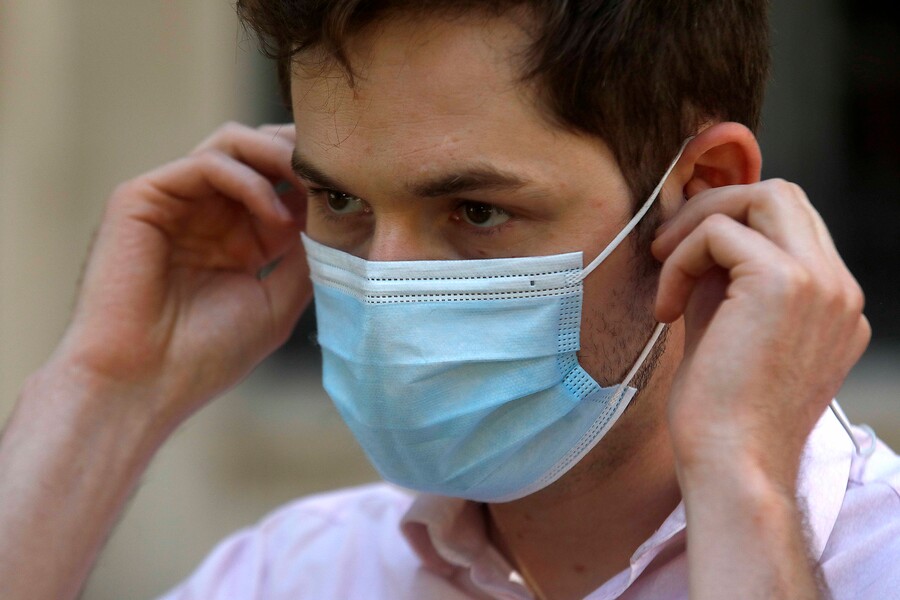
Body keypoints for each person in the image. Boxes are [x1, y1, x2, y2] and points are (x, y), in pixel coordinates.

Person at [1, 1, 898, 599]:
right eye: (340, 200)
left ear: (701, 188)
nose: (387, 289)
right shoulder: (295, 573)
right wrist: (105, 392)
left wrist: (744, 486)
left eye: (475, 210)